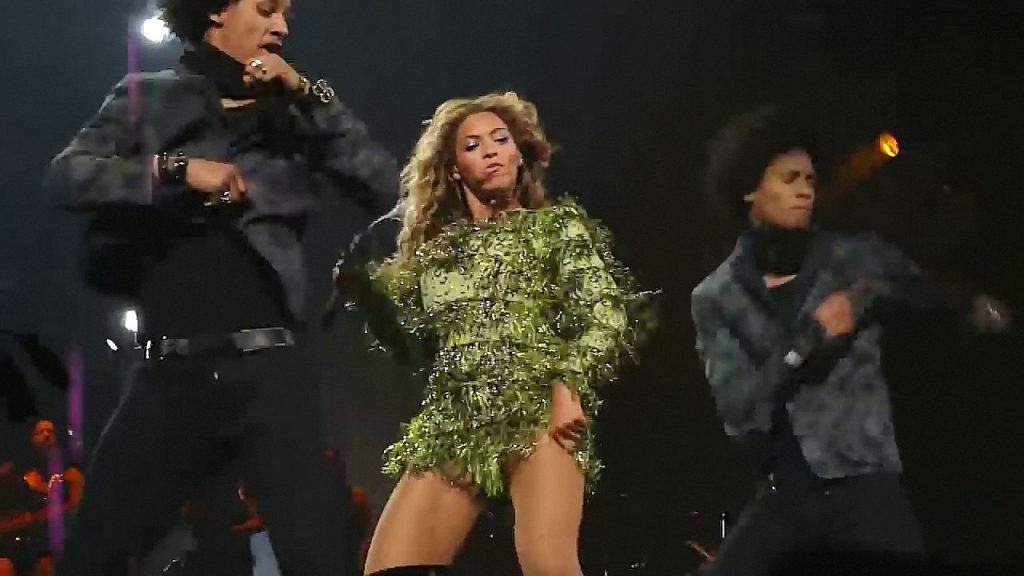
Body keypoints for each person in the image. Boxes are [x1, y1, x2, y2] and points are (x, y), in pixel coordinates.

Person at [45, 0, 398, 573]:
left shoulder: (298, 113)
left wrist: (310, 95)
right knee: (93, 555)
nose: (281, 26)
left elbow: (384, 186)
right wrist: (177, 169)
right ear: (214, 11)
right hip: (169, 375)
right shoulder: (149, 94)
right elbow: (67, 176)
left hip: (270, 375)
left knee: (321, 558)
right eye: (265, 8)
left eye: (286, 14)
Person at [339, 92, 650, 576]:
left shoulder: (554, 229)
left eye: (500, 140)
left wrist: (567, 386)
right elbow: (407, 336)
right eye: (472, 145)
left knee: (548, 562)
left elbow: (605, 313)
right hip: (454, 422)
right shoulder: (435, 256)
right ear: (454, 170)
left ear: (519, 155)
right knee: (390, 569)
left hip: (537, 411)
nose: (490, 151)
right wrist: (361, 285)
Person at [691, 106, 1011, 575]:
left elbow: (923, 288)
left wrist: (974, 304)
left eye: (810, 179)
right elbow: (741, 414)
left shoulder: (853, 259)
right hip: (786, 491)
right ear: (749, 190)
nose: (805, 190)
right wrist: (808, 343)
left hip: (865, 481)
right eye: (789, 178)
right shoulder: (717, 297)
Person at [0, 419, 84, 576]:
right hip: (28, 545)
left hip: (61, 544)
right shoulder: (22, 476)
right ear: (31, 440)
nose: (46, 435)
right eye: (40, 432)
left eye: (50, 431)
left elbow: (75, 511)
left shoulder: (71, 475)